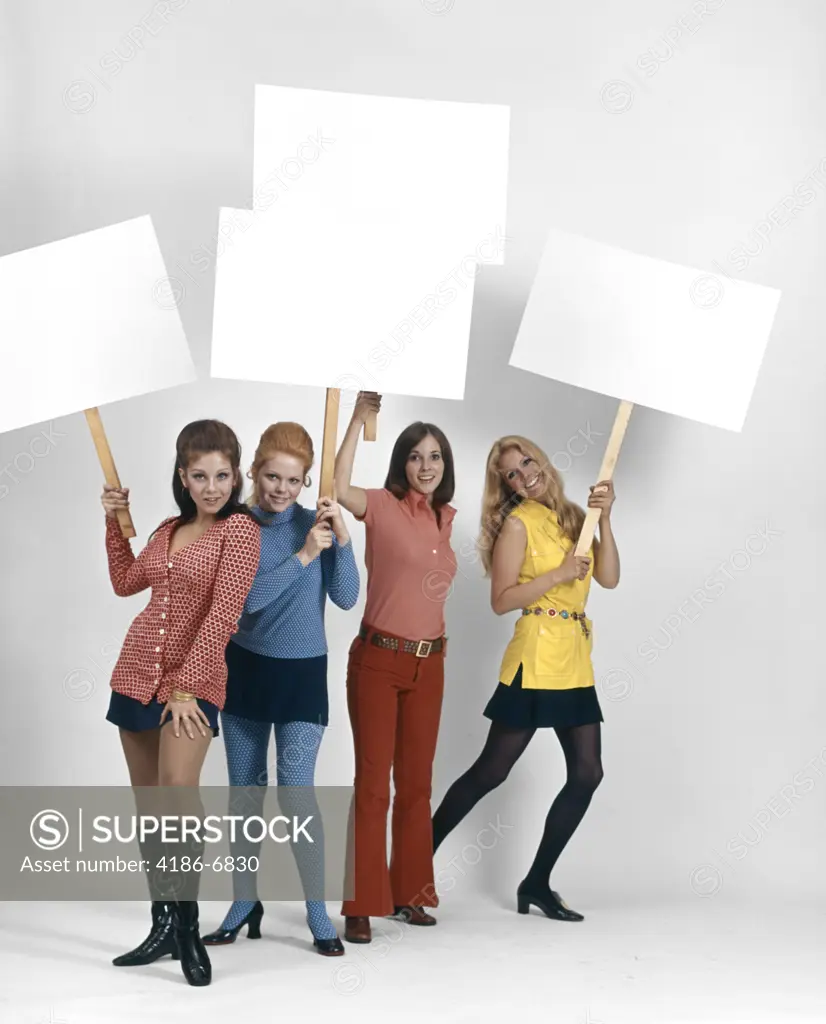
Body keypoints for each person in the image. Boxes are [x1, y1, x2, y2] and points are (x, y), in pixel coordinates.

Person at [431, 434, 620, 920]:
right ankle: (412, 863)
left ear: (543, 460)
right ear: (505, 486)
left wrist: (606, 521)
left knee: (587, 772)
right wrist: (557, 575)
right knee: (491, 772)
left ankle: (536, 882)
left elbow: (611, 577)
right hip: (534, 658)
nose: (523, 476)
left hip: (575, 660)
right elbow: (500, 600)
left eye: (526, 463)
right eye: (511, 474)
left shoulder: (578, 517)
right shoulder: (517, 524)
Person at [101, 419, 260, 987]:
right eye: (200, 475)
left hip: (192, 683)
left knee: (178, 795)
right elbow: (125, 583)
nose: (213, 486)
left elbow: (223, 614)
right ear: (183, 477)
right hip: (136, 672)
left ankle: (189, 926)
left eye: (222, 474)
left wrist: (189, 685)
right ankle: (162, 923)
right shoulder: (168, 529)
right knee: (150, 808)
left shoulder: (240, 532)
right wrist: (113, 520)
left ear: (236, 475)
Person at [201, 421, 360, 956]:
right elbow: (245, 602)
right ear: (254, 472)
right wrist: (304, 557)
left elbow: (345, 598)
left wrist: (341, 539)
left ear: (306, 481)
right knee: (244, 793)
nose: (282, 490)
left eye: (294, 481)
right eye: (272, 477)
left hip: (301, 673)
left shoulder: (314, 524)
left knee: (296, 794)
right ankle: (244, 902)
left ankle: (318, 912)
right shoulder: (238, 526)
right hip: (245, 668)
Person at [334, 391, 458, 944]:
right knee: (373, 785)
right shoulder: (381, 505)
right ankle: (361, 903)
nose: (426, 466)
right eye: (416, 456)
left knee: (415, 785)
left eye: (435, 457)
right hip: (379, 661)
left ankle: (409, 896)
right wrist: (359, 419)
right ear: (401, 462)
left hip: (429, 665)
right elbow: (337, 489)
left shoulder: (445, 520)